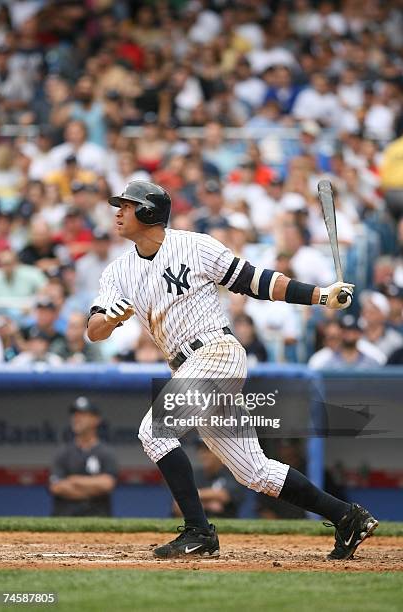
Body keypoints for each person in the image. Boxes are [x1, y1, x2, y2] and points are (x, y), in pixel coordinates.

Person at [87, 180, 378, 561]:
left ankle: (198, 531)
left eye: (127, 205)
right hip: (186, 366)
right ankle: (346, 516)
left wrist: (320, 295)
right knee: (254, 471)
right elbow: (93, 331)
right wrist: (109, 320)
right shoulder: (117, 271)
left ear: (149, 212)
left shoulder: (195, 245)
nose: (118, 212)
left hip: (216, 352)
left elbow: (255, 281)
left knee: (154, 432)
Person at [49, 396, 118, 517]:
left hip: (98, 520)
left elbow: (107, 484)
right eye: (74, 414)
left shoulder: (106, 453)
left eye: (83, 414)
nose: (77, 418)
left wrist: (73, 480)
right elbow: (56, 487)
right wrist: (92, 490)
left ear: (96, 419)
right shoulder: (63, 453)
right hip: (64, 520)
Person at [173, 443, 246, 519]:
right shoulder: (194, 475)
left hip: (224, 521)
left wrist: (192, 496)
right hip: (196, 524)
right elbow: (178, 504)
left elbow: (224, 496)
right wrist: (208, 504)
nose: (204, 455)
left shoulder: (231, 473)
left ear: (220, 454)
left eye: (208, 451)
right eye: (201, 450)